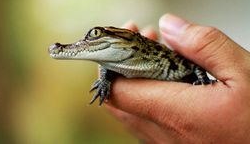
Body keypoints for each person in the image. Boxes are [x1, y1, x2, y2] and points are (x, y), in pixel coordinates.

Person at [104, 13, 250, 143]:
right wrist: (104, 80)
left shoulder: (169, 63)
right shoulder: (113, 64)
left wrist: (203, 80)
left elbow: (193, 66)